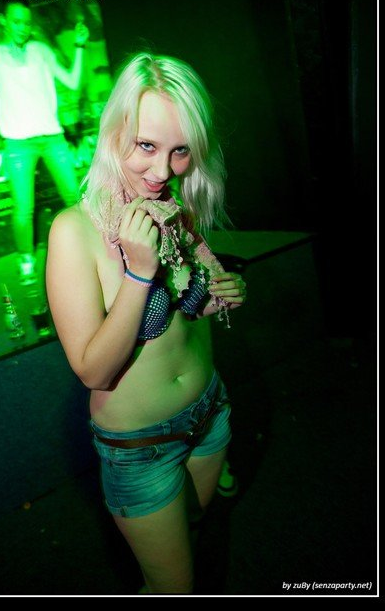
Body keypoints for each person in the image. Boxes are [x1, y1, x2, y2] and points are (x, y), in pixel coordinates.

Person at [46, 52, 247, 594]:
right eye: (146, 146)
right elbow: (94, 371)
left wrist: (220, 295)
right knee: (173, 585)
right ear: (114, 132)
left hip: (210, 411)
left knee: (195, 531)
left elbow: (193, 300)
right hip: (141, 447)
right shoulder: (73, 231)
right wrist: (139, 274)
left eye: (180, 150)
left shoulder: (173, 205)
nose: (162, 172)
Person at [0, 0, 89, 285]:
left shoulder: (40, 51)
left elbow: (73, 82)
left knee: (74, 198)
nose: (22, 28)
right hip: (17, 145)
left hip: (52, 138)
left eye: (26, 22)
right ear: (3, 21)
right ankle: (26, 258)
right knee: (23, 207)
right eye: (16, 21)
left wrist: (79, 46)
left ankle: (90, 247)